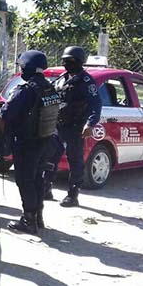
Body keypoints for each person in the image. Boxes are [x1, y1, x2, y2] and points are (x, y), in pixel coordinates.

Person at [0, 50, 61, 234]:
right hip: (45, 141)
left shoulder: (26, 90)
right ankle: (38, 217)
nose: (20, 70)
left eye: (21, 66)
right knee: (37, 179)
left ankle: (28, 220)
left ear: (27, 67)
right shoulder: (49, 87)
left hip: (27, 143)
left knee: (25, 181)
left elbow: (6, 113)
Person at [47, 46, 102, 207]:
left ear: (78, 62)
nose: (66, 64)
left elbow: (95, 104)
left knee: (75, 160)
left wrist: (90, 123)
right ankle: (46, 188)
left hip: (76, 127)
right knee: (51, 156)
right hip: (58, 125)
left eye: (70, 61)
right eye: (64, 61)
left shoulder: (86, 82)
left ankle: (73, 195)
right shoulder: (61, 79)